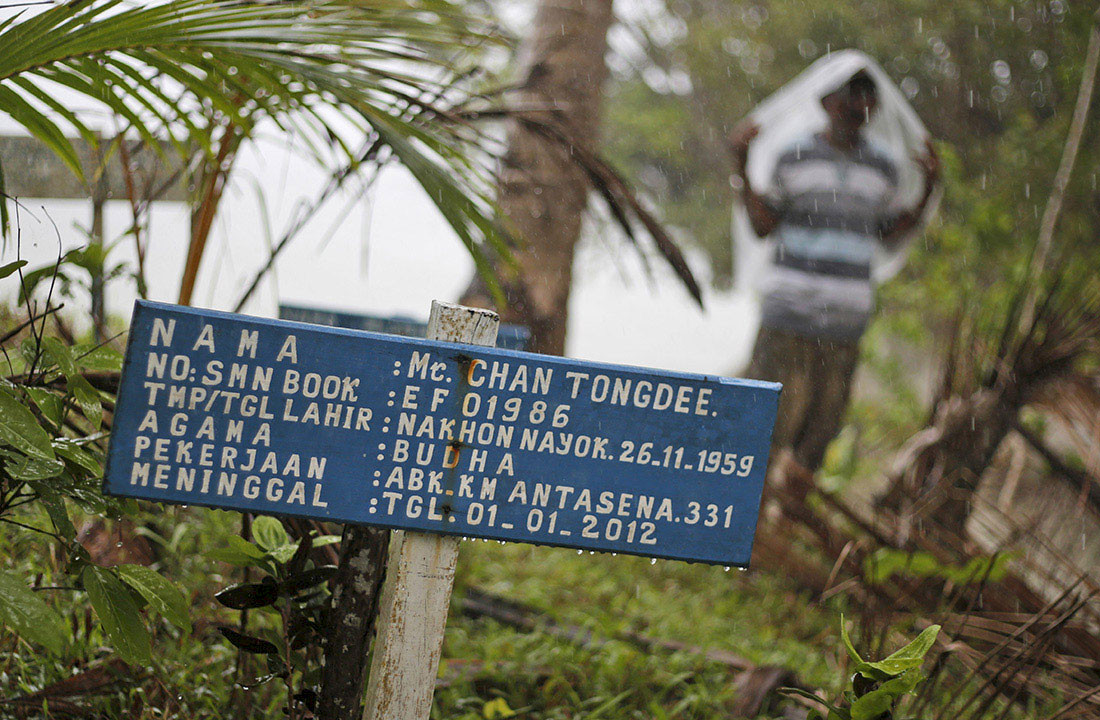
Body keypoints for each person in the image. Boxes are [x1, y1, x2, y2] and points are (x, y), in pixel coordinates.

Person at [730, 68, 940, 474]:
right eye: (849, 96)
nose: (857, 107)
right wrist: (741, 164)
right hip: (788, 315)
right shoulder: (793, 157)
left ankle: (786, 525)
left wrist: (929, 188)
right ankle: (749, 528)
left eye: (866, 98)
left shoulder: (883, 168)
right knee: (765, 429)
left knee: (820, 432)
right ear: (825, 102)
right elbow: (762, 225)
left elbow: (890, 233)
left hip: (843, 325)